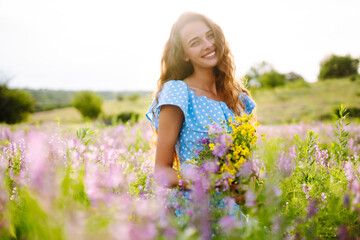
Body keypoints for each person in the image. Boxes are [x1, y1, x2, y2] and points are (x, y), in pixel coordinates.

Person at [145, 12, 256, 226]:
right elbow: (162, 172)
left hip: (230, 216)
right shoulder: (178, 92)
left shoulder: (236, 96)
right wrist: (206, 182)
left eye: (209, 36)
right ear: (184, 54)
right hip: (193, 215)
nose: (207, 45)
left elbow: (242, 163)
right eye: (195, 42)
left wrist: (244, 186)